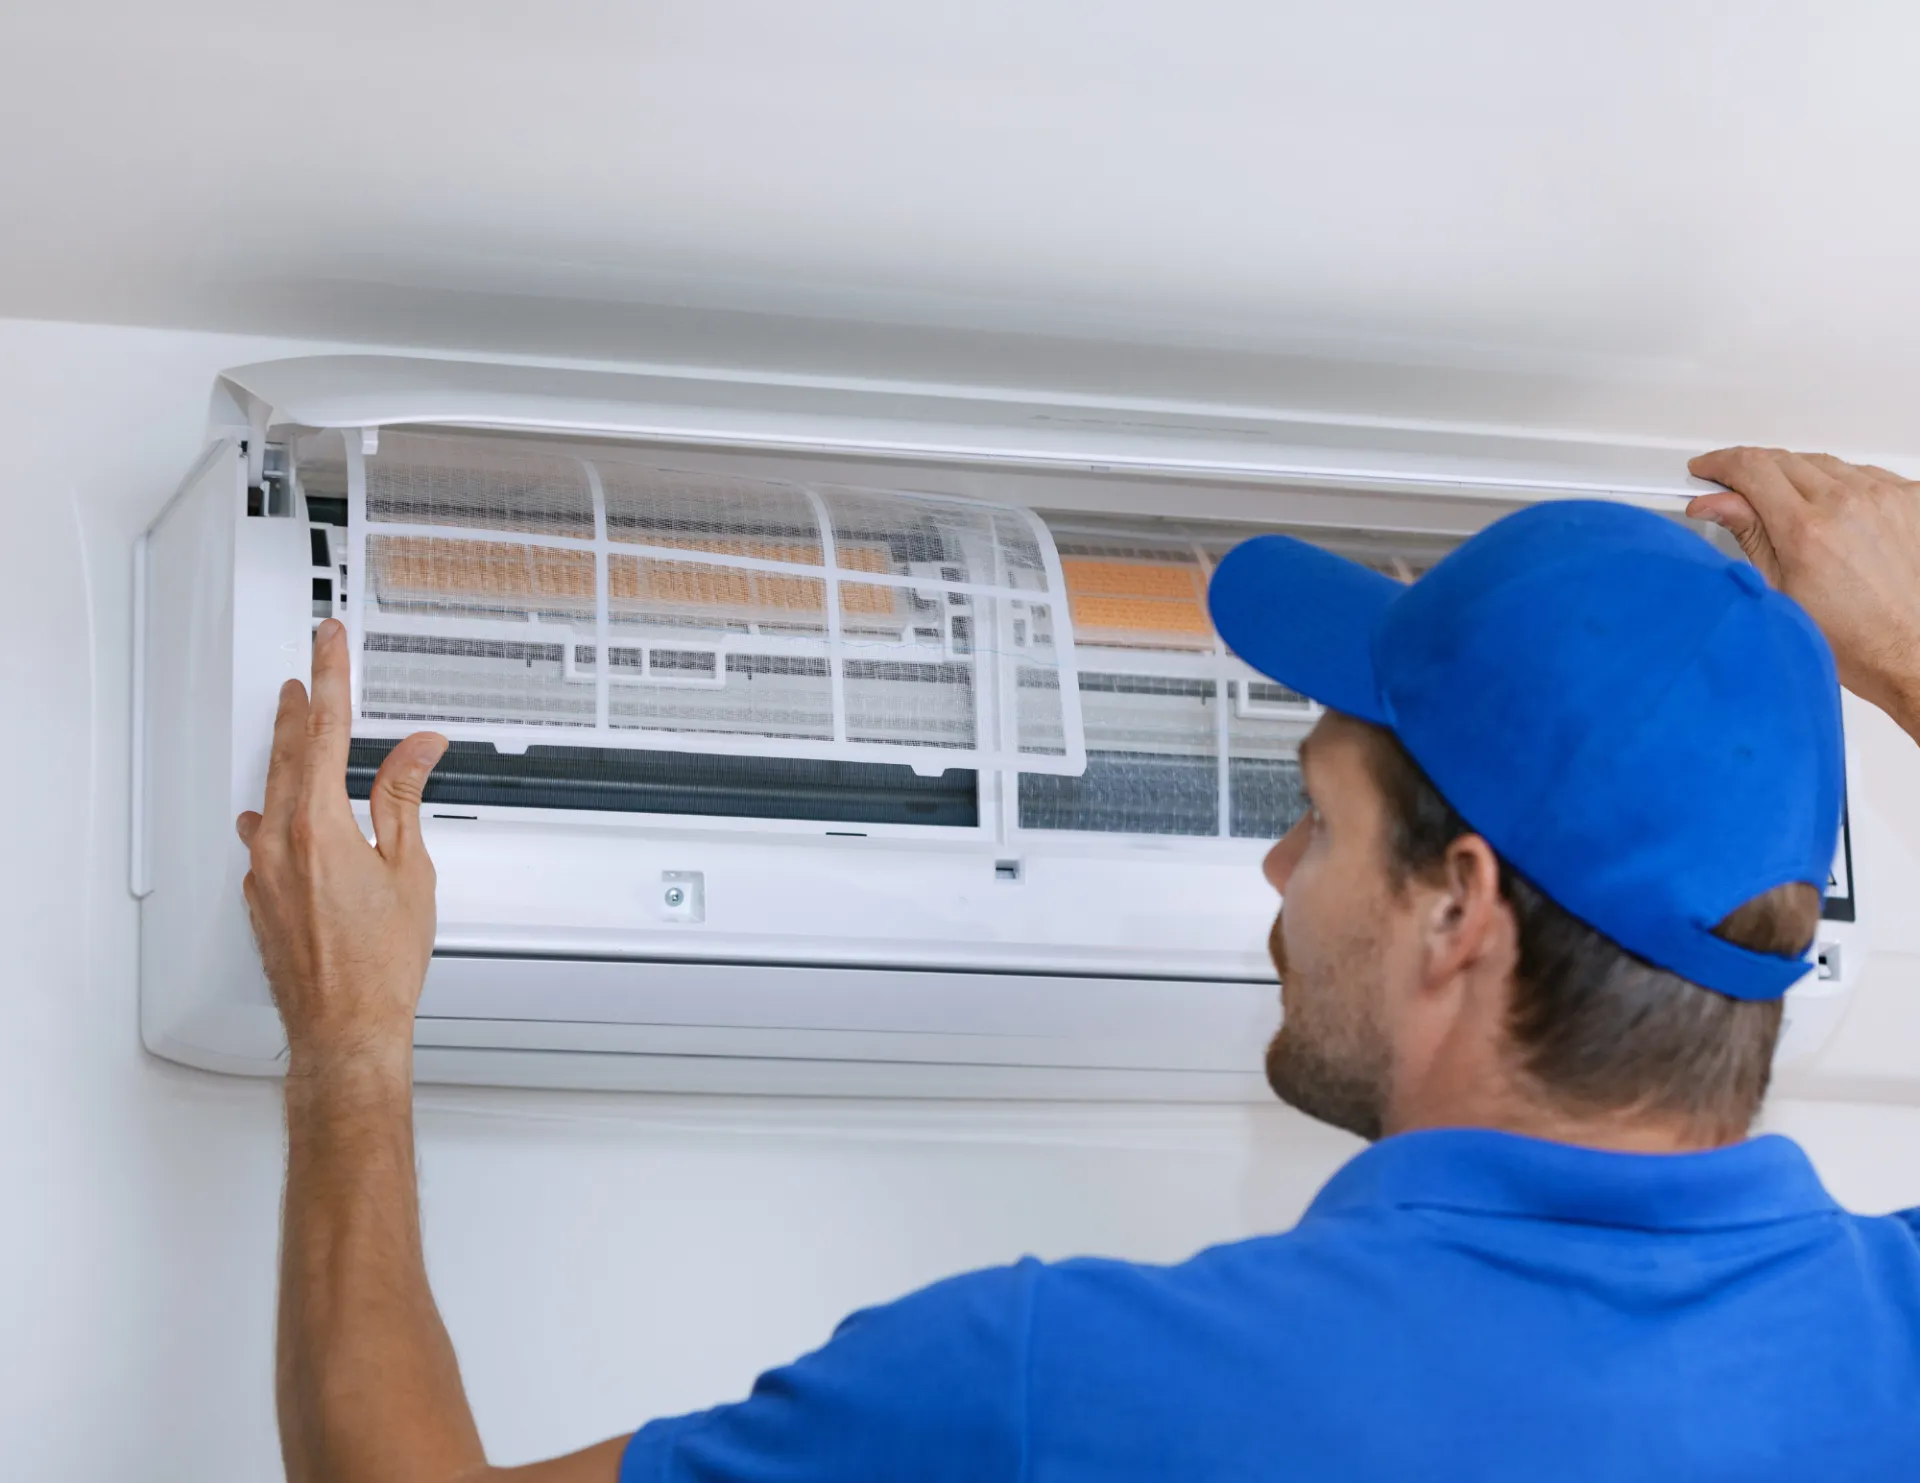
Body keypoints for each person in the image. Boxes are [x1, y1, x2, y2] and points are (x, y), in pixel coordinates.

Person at [238, 448, 1920, 1483]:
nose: (1276, 863)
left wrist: (349, 1039)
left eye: (1314, 812)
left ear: (1456, 909)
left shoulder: (1066, 1391)